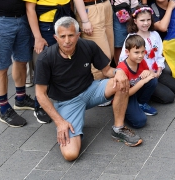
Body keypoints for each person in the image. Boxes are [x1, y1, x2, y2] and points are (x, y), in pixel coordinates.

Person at [35, 17, 143, 161]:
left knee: (121, 81)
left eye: (71, 35)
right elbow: (40, 94)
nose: (67, 40)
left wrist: (119, 72)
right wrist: (60, 122)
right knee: (70, 154)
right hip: (68, 102)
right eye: (62, 36)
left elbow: (106, 70)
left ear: (78, 35)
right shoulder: (45, 58)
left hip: (90, 90)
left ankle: (118, 128)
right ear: (56, 37)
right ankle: (72, 121)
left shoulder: (88, 46)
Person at [23, 0, 73, 123]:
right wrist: (37, 36)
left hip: (64, 22)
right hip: (46, 26)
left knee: (65, 63)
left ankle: (63, 98)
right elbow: (30, 8)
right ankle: (39, 105)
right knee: (43, 66)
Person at [119, 5, 175, 104]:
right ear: (135, 21)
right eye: (142, 20)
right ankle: (144, 93)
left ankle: (156, 88)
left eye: (148, 20)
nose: (146, 23)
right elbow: (124, 59)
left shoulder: (155, 34)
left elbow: (159, 55)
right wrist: (148, 73)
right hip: (144, 75)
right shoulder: (131, 38)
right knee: (169, 97)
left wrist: (159, 70)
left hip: (156, 71)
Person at [117, 34, 159, 127]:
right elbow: (126, 94)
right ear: (127, 52)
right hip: (125, 97)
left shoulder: (140, 61)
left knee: (152, 80)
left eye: (143, 52)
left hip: (135, 90)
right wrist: (142, 81)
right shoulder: (123, 69)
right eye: (136, 52)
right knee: (139, 122)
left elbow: (151, 74)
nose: (140, 55)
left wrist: (147, 71)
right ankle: (123, 111)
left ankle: (141, 103)